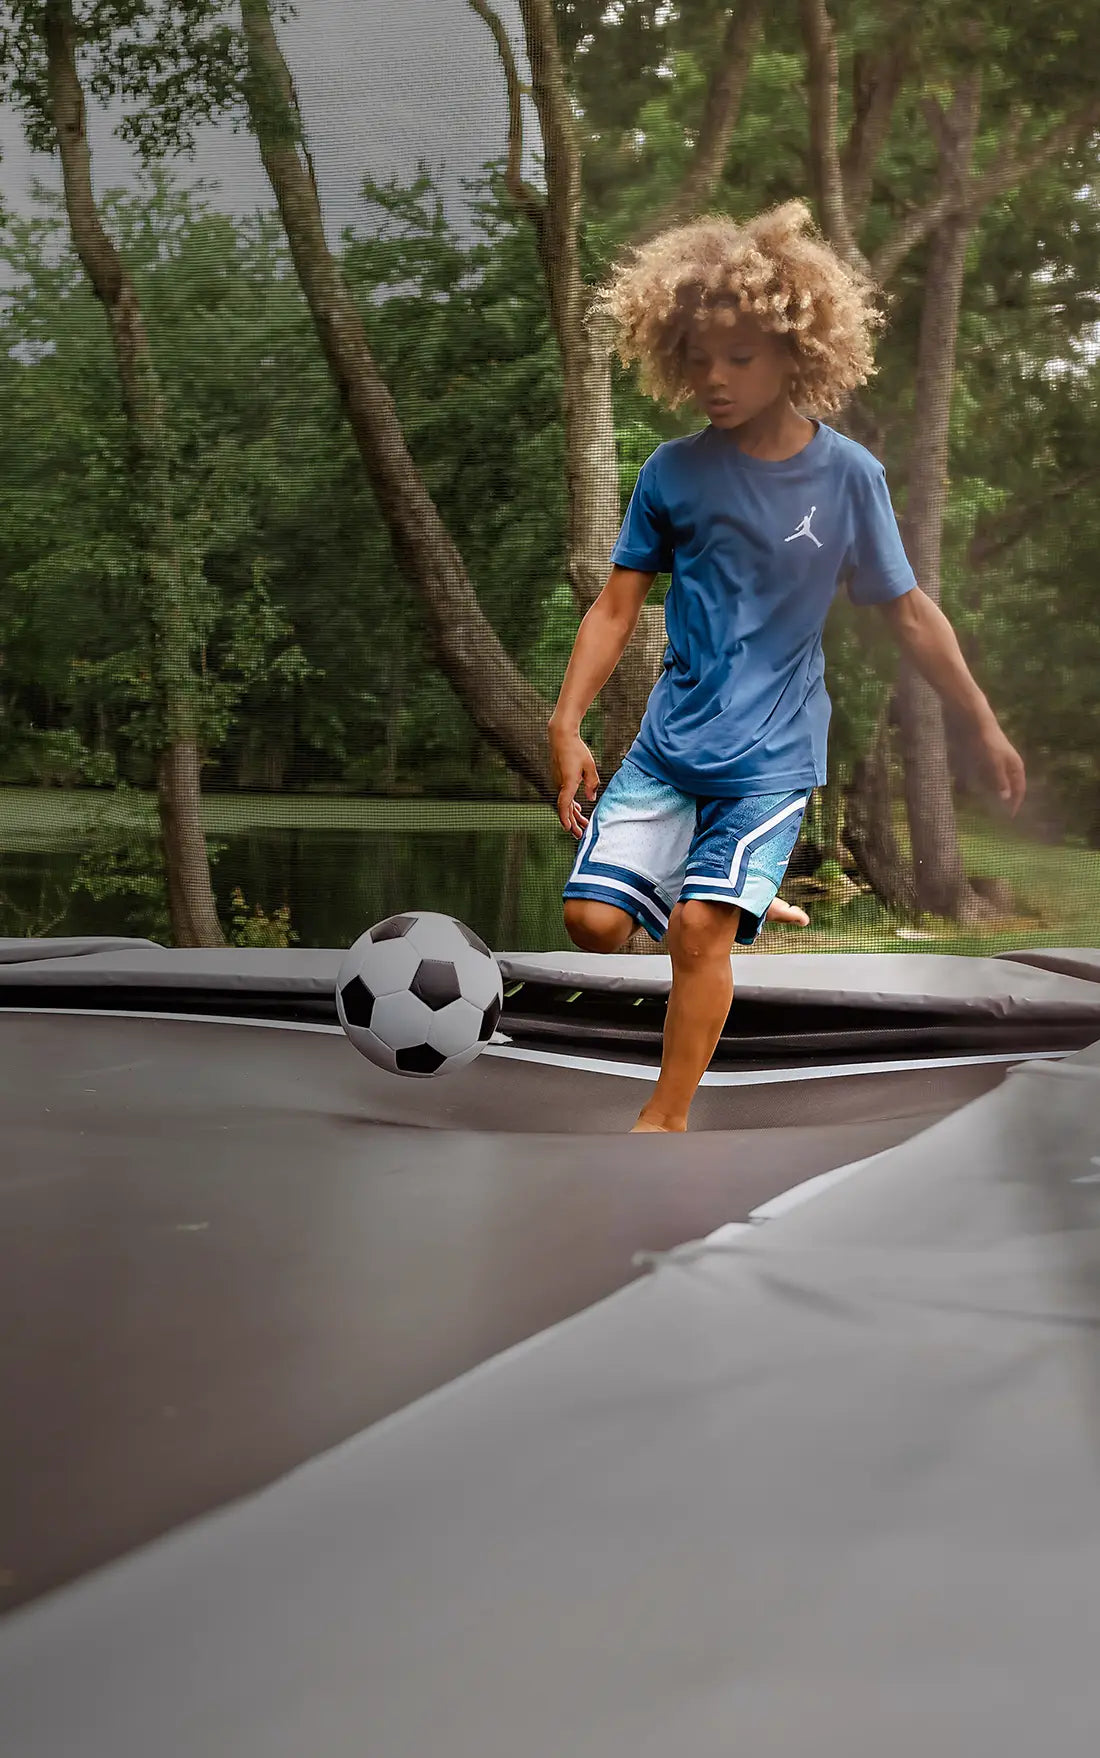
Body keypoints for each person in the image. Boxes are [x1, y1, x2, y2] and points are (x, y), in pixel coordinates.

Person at [548, 201, 1026, 1134]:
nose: (714, 378)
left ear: (795, 353)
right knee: (594, 927)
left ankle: (666, 1116)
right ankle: (739, 888)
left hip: (773, 752)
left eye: (740, 358)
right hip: (671, 742)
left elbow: (909, 611)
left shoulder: (849, 478)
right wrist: (565, 723)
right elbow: (615, 608)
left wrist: (978, 717)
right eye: (697, 356)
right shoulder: (671, 475)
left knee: (695, 932)